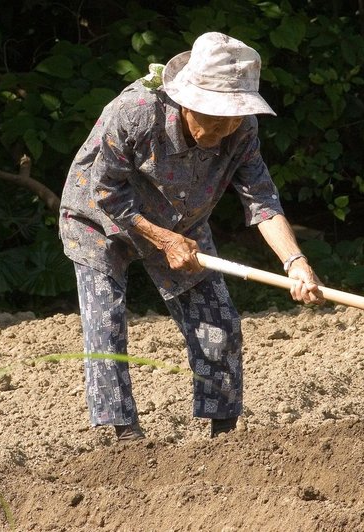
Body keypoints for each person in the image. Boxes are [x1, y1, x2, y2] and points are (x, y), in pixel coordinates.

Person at [59, 32, 324, 441]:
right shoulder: (136, 114)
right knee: (106, 322)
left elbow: (262, 199)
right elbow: (106, 191)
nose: (225, 127)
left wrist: (295, 262)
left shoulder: (241, 131)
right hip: (100, 219)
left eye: (235, 115)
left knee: (219, 322)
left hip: (182, 221)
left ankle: (225, 436)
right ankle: (124, 439)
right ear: (186, 100)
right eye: (215, 116)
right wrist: (162, 240)